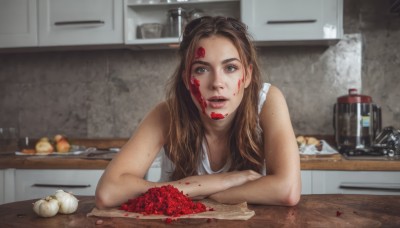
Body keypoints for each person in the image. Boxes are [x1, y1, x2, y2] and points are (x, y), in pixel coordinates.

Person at [95, 16, 301, 209]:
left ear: (247, 75)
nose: (217, 83)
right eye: (201, 69)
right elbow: (109, 192)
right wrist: (221, 181)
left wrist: (216, 196)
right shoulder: (167, 113)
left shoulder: (267, 101)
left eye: (230, 68)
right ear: (186, 78)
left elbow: (287, 191)